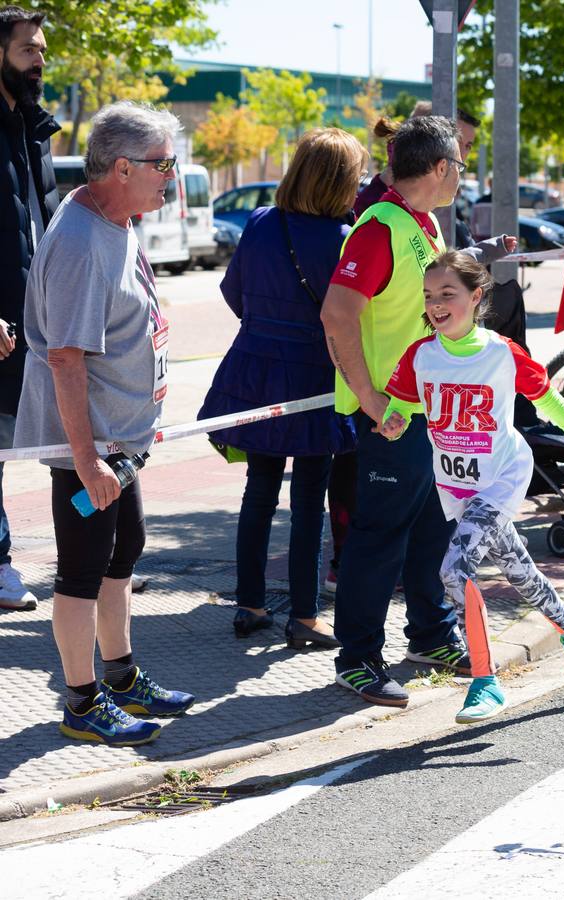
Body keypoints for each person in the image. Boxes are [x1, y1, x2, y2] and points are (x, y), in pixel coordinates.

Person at [377, 252, 564, 722]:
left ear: (475, 298)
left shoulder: (502, 353)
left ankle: (485, 681)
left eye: (447, 294)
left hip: (503, 477)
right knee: (518, 572)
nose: (436, 304)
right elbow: (403, 407)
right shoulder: (420, 355)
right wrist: (393, 421)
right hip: (455, 486)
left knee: (454, 568)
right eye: (429, 296)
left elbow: (549, 401)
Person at [15, 101, 198, 745]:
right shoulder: (80, 242)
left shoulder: (116, 220)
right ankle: (82, 701)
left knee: (125, 550)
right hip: (86, 444)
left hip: (121, 438)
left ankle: (120, 675)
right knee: (82, 568)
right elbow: (65, 357)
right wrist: (86, 460)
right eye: (162, 164)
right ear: (121, 167)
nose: (171, 177)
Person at [320, 115, 515, 707]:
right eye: (459, 164)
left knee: (434, 526)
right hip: (395, 416)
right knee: (380, 537)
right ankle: (356, 658)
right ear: (439, 167)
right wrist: (372, 399)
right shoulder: (379, 227)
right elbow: (337, 313)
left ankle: (430, 633)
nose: (463, 174)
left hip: (431, 415)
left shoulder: (421, 225)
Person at [199, 128, 368, 648]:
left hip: (256, 369)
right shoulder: (344, 240)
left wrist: (265, 329)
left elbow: (234, 292)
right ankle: (303, 616)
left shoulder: (259, 223)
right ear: (340, 181)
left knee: (258, 491)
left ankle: (248, 605)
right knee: (309, 500)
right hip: (316, 377)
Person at [0, 5, 53, 612]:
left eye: (41, 50)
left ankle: (95, 559)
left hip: (43, 319)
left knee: (70, 436)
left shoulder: (36, 128)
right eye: (28, 51)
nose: (40, 61)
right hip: (2, 329)